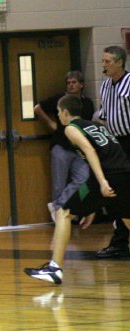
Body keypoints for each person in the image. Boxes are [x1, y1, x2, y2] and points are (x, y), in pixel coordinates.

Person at [24, 94, 130, 284]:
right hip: (125, 173)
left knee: (64, 212)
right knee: (128, 219)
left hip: (106, 176)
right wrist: (92, 205)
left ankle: (54, 268)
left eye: (58, 112)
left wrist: (103, 182)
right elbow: (113, 152)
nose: (58, 115)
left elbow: (89, 151)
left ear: (65, 113)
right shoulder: (97, 125)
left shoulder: (71, 128)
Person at [33, 71, 95, 220]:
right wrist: (50, 123)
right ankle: (58, 215)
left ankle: (60, 206)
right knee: (58, 184)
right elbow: (37, 108)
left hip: (79, 149)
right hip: (61, 146)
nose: (70, 85)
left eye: (73, 82)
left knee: (84, 179)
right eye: (68, 83)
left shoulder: (87, 104)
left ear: (81, 85)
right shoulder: (59, 100)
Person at [94, 46, 130, 259]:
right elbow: (105, 116)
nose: (103, 65)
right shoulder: (105, 86)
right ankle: (119, 241)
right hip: (117, 144)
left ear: (119, 63)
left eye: (107, 61)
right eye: (103, 61)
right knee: (117, 193)